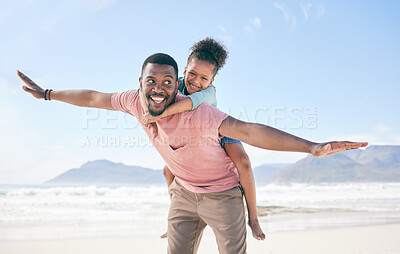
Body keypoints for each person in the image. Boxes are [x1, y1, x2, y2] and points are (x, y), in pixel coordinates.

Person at [18, 53, 367, 254]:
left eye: (167, 83)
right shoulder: (132, 101)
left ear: (177, 84)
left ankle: (253, 219)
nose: (159, 89)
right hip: (184, 194)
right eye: (151, 81)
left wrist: (312, 147)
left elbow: (247, 131)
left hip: (224, 196)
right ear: (139, 83)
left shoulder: (202, 112)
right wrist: (47, 93)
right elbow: (93, 97)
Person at [140, 38, 265, 240]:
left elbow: (190, 103)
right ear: (184, 70)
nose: (196, 81)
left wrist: (159, 114)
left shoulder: (208, 93)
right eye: (192, 74)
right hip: (191, 136)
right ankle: (176, 213)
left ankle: (254, 218)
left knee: (243, 162)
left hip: (217, 130)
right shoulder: (174, 84)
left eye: (204, 78)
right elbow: (144, 90)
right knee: (167, 171)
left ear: (212, 82)